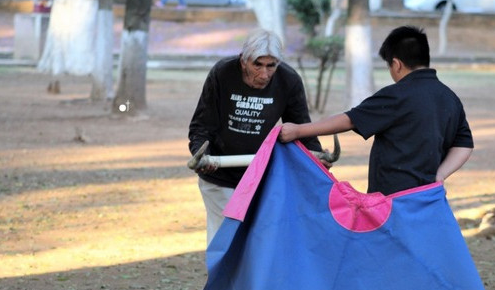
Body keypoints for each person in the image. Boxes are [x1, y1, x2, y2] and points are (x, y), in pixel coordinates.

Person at [279, 25, 473, 195]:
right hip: (429, 197)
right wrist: (439, 175)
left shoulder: (397, 95)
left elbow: (349, 120)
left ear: (396, 64)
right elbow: (464, 145)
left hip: (392, 200)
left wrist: (298, 130)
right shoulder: (450, 98)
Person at [188, 28, 327, 245]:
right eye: (258, 65)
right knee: (224, 241)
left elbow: (301, 128)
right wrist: (201, 154)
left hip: (261, 176)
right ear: (244, 61)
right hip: (219, 175)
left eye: (271, 66)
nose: (264, 74)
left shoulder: (288, 80)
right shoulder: (223, 73)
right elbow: (202, 125)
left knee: (260, 244)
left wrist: (317, 156)